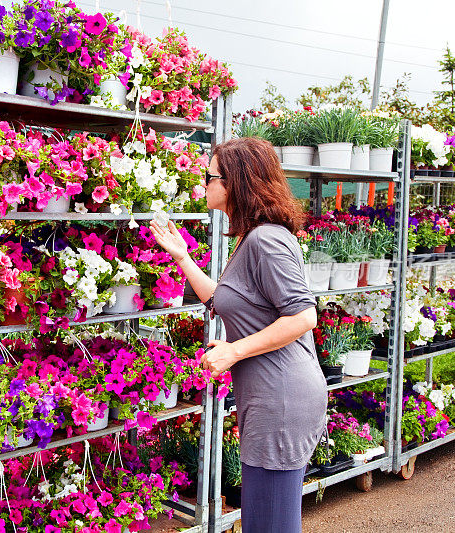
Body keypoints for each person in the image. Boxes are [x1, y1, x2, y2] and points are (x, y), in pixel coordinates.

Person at [150, 137, 326, 533]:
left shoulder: (266, 239)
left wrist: (234, 351)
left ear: (236, 183)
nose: (204, 183)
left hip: (281, 398)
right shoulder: (251, 238)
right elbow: (223, 299)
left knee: (271, 525)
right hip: (268, 395)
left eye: (210, 176)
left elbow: (303, 316)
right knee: (264, 522)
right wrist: (182, 257)